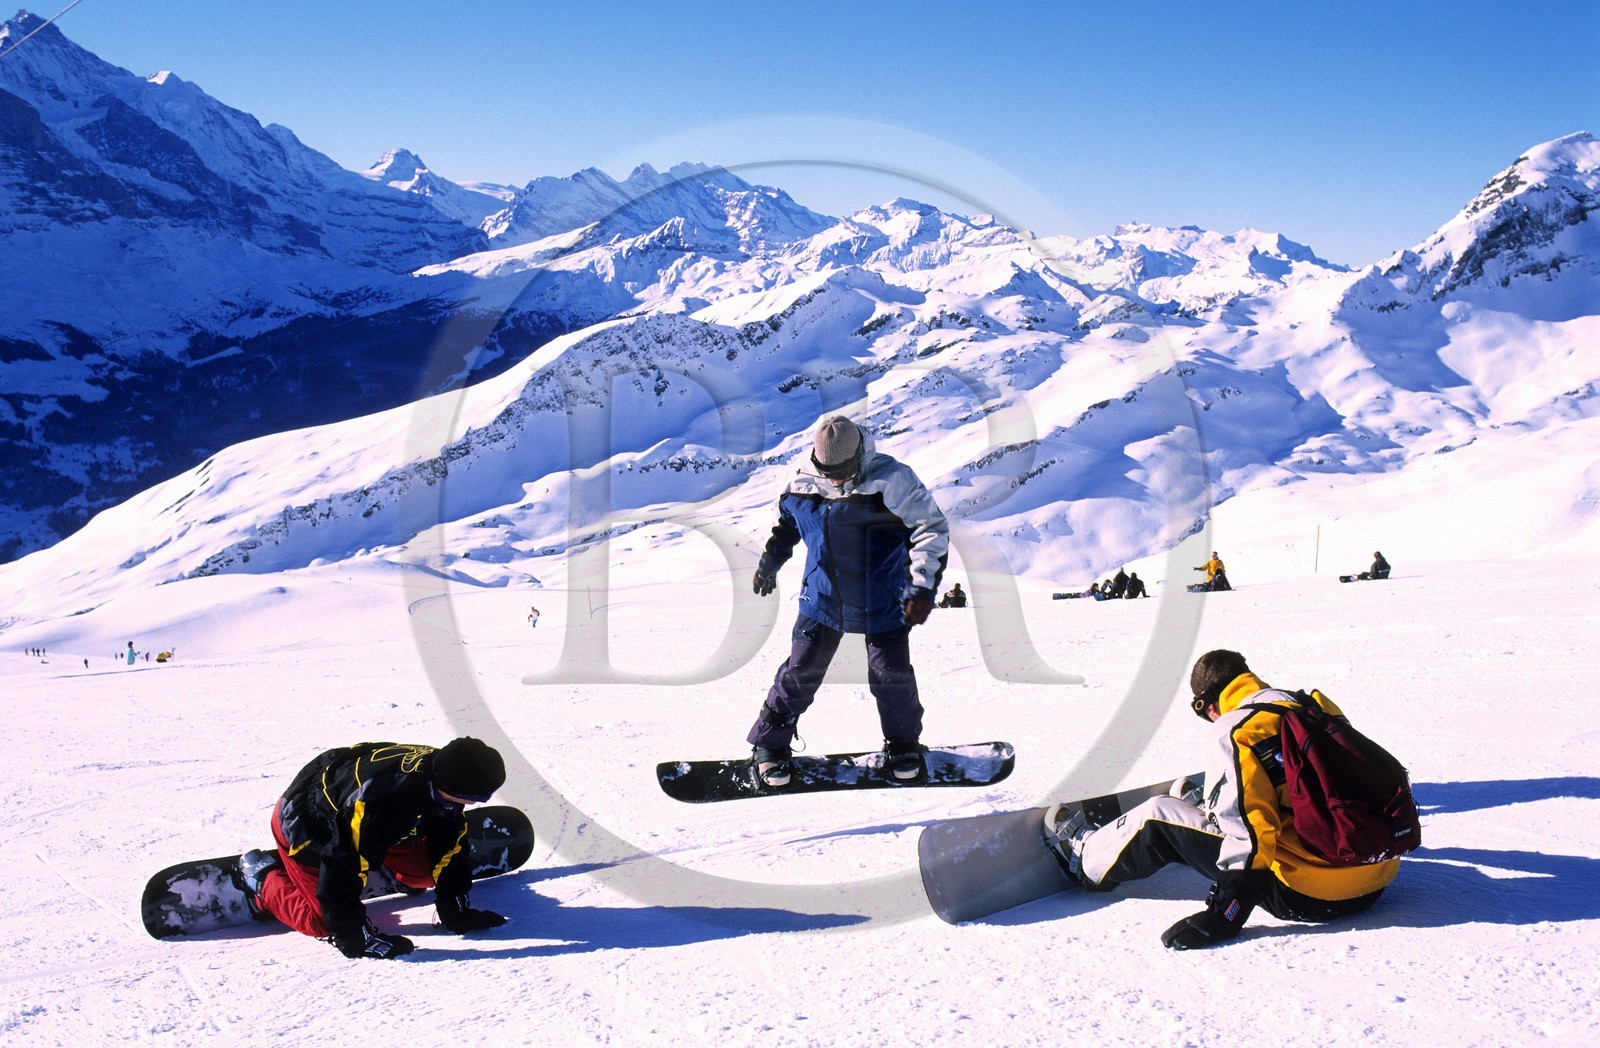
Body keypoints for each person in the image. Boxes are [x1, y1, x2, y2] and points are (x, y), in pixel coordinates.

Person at [1048, 650, 1400, 950]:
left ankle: (1086, 858)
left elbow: (1252, 833)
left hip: (1307, 896)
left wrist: (1226, 913)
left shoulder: (1236, 728)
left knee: (1158, 815)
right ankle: (1219, 806)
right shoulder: (1314, 707)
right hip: (1376, 879)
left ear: (1208, 702)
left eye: (1202, 712)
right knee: (1250, 804)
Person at [746, 415, 949, 786]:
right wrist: (769, 563)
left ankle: (903, 745)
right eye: (828, 471)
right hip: (821, 597)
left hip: (882, 596)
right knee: (800, 671)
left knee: (892, 675)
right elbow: (789, 525)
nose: (836, 479)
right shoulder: (801, 480)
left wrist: (921, 588)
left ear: (860, 454)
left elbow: (930, 529)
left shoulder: (893, 479)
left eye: (843, 470)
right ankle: (768, 747)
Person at [232, 737, 510, 960]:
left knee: (427, 873)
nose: (475, 804)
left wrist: (456, 911)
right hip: (307, 827)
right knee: (324, 922)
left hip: (371, 822)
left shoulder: (443, 771)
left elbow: (449, 842)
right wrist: (355, 938)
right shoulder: (380, 802)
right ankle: (261, 876)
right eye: (473, 797)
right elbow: (341, 869)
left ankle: (381, 864)